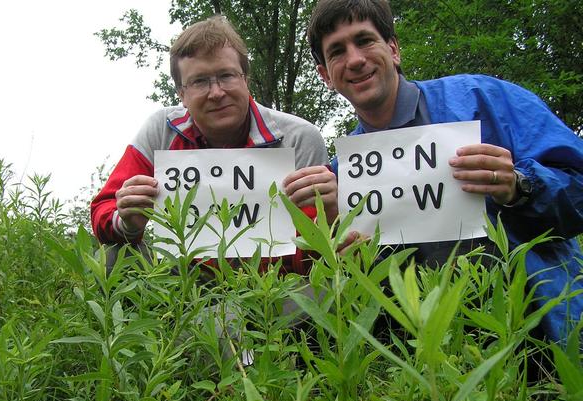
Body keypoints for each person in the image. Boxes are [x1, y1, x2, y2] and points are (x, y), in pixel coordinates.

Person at [307, 0, 583, 341]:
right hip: (424, 361)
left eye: (365, 40)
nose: (355, 59)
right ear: (325, 75)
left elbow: (578, 189)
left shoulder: (483, 99)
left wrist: (519, 186)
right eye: (336, 51)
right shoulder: (345, 173)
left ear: (393, 49)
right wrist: (350, 253)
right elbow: (368, 290)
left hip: (534, 336)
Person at [91, 16, 337, 275]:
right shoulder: (160, 131)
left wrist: (327, 218)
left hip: (275, 286)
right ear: (181, 94)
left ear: (246, 80)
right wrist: (128, 221)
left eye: (227, 76)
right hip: (185, 283)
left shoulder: (298, 137)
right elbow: (103, 207)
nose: (217, 92)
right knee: (112, 256)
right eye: (200, 81)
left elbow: (313, 257)